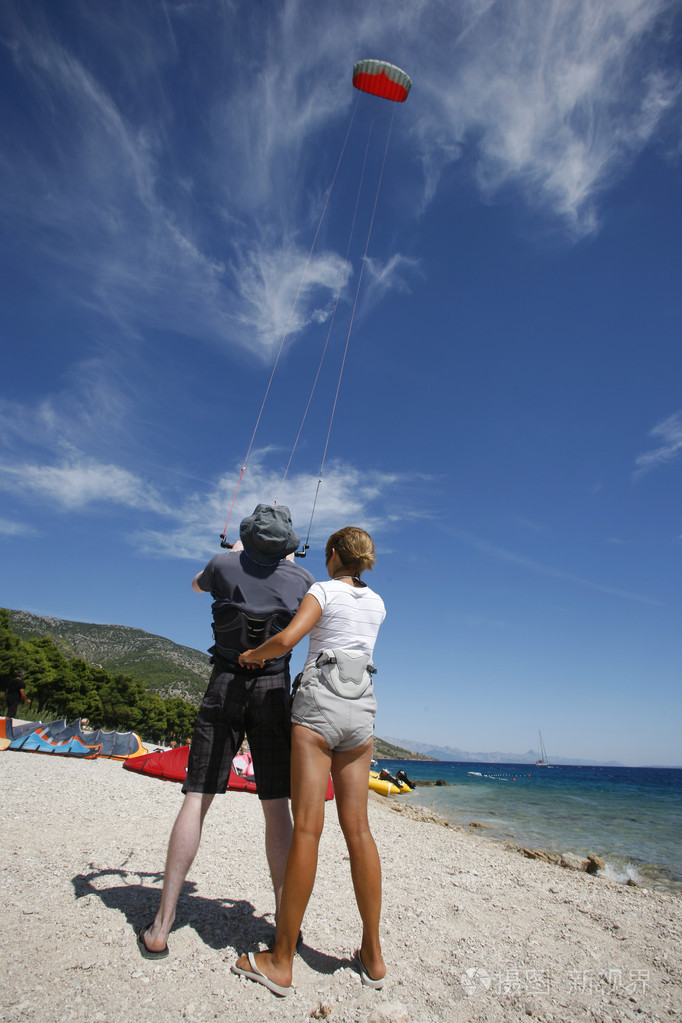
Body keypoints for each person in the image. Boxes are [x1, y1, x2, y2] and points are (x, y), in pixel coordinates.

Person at [138, 504, 314, 960]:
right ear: (289, 546)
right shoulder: (304, 582)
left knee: (197, 796)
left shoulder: (221, 564)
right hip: (273, 691)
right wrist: (285, 567)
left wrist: (237, 555)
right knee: (276, 808)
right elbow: (298, 599)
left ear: (246, 535)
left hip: (225, 682)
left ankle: (161, 926)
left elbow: (196, 585)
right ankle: (284, 931)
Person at [232, 526, 386, 996]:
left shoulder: (321, 590)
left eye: (325, 554)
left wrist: (251, 656)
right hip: (362, 711)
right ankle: (373, 956)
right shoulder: (379, 603)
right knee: (358, 830)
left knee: (307, 830)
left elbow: (289, 640)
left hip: (320, 708)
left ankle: (280, 962)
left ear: (335, 554)